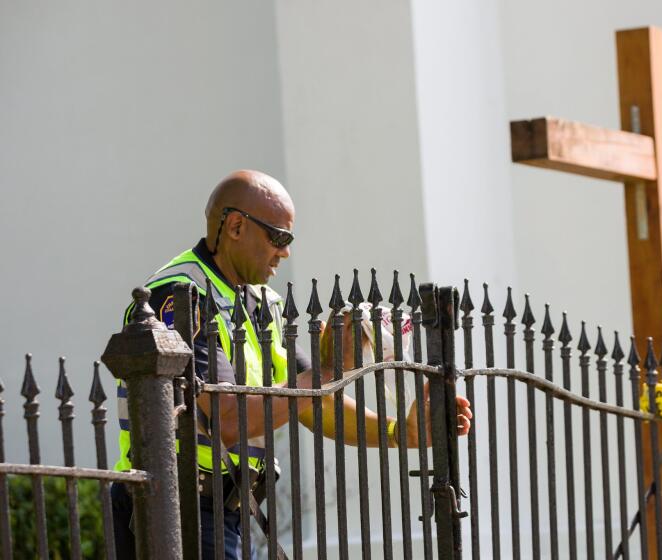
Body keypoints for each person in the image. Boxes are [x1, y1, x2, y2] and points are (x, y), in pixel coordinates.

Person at [111, 170, 472, 559]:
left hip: (230, 507)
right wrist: (330, 373)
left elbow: (311, 398)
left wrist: (399, 432)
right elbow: (228, 421)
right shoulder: (181, 295)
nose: (285, 252)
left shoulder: (262, 301)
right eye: (279, 237)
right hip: (174, 506)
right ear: (235, 226)